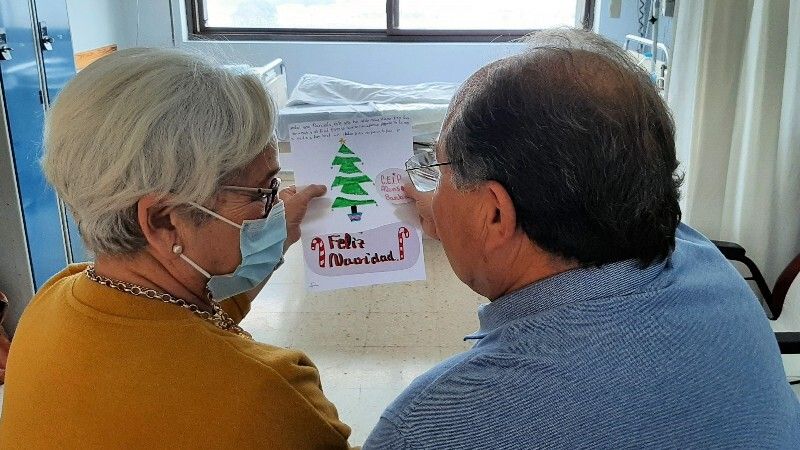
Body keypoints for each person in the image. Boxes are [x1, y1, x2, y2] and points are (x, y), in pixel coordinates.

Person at [364, 29, 800, 449]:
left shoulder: (429, 429)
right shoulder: (704, 259)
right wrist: (447, 212)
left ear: (495, 213)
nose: (434, 189)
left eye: (437, 170)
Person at [0, 48, 355, 449]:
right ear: (164, 220)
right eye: (264, 191)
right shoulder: (265, 393)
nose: (273, 207)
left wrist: (277, 235)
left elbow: (192, 310)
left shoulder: (51, 301)